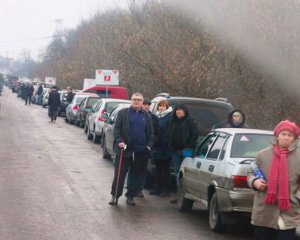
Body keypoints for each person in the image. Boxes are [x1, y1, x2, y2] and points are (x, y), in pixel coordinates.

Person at [248, 120, 300, 240]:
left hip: (288, 212)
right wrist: (254, 182)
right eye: (283, 134)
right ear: (277, 135)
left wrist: (297, 198)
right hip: (264, 211)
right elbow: (251, 172)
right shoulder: (262, 154)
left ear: (294, 138)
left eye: (290, 135)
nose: (286, 138)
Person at [109, 93, 154, 206]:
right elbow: (117, 129)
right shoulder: (123, 113)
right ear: (131, 100)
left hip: (141, 150)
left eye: (139, 100)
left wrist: (149, 146)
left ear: (142, 102)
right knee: (120, 174)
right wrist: (120, 141)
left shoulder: (147, 115)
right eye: (134, 99)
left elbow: (151, 133)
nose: (136, 102)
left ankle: (131, 195)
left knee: (136, 175)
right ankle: (115, 195)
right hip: (125, 149)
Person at [127, 98, 159, 198]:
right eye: (144, 104)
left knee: (143, 170)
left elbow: (155, 133)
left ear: (150, 106)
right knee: (132, 170)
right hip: (133, 147)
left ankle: (139, 188)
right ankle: (130, 188)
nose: (146, 106)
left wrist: (150, 146)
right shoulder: (132, 114)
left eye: (148, 104)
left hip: (146, 149)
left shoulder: (153, 118)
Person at [169, 103, 199, 203]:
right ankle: (179, 196)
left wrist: (189, 147)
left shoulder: (189, 121)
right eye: (177, 110)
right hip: (175, 151)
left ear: (185, 111)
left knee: (186, 174)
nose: (178, 112)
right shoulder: (173, 121)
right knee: (177, 174)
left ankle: (187, 198)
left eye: (181, 110)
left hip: (186, 151)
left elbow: (195, 134)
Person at [150, 99, 173, 197]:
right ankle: (157, 189)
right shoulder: (157, 117)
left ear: (167, 107)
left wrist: (166, 141)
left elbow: (169, 132)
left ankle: (166, 190)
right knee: (158, 169)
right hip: (157, 147)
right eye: (160, 106)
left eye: (164, 106)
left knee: (166, 170)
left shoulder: (169, 117)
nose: (161, 107)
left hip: (166, 148)